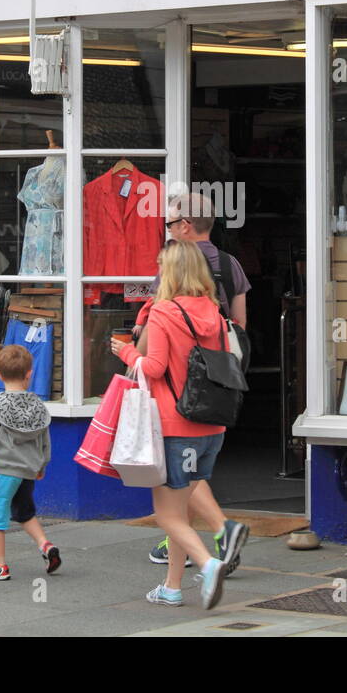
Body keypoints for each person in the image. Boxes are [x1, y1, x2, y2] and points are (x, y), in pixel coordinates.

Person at [111, 241, 237, 609]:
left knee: (166, 515)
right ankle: (171, 587)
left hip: (176, 424)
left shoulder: (165, 312)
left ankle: (209, 564)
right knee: (182, 512)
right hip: (210, 426)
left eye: (162, 265)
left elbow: (153, 368)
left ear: (173, 271)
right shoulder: (213, 310)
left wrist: (126, 352)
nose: (158, 272)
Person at [132, 191, 250, 574]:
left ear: (185, 225)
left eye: (168, 224)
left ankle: (205, 536)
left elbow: (151, 348)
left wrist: (132, 347)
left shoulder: (174, 269)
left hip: (176, 394)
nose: (166, 233)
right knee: (193, 469)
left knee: (178, 473)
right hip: (218, 384)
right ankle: (181, 563)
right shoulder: (231, 265)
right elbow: (240, 327)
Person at [0, 344, 61, 580]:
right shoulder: (38, 406)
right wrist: (42, 465)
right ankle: (45, 545)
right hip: (28, 471)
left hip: (5, 471)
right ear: (29, 374)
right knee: (24, 511)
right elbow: (45, 440)